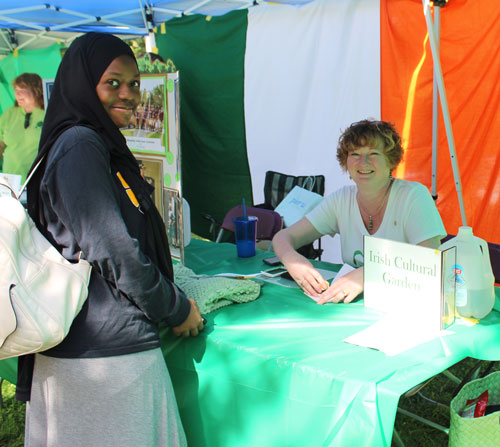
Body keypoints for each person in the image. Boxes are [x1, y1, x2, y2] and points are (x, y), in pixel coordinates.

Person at [19, 32, 204, 446]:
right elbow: (111, 246)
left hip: (92, 349)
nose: (129, 94)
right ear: (84, 83)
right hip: (103, 356)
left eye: (134, 83)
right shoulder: (81, 144)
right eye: (113, 82)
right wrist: (174, 308)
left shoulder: (91, 142)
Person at [272, 119, 446, 304]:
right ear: (345, 162)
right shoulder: (341, 200)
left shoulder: (413, 196)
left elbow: (430, 258)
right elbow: (283, 237)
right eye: (355, 154)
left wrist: (368, 274)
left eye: (373, 153)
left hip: (409, 306)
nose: (363, 162)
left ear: (391, 161)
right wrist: (293, 261)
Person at [0, 73, 45, 182]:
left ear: (36, 91)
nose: (17, 94)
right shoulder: (9, 113)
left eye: (22, 90)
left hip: (38, 180)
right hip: (9, 180)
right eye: (16, 90)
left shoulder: (48, 114)